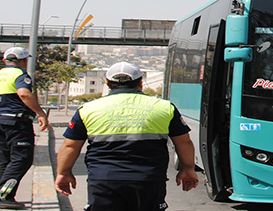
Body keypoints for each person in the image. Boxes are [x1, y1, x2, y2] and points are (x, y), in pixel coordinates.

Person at [55, 62, 198, 211]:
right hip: (148, 181)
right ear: (140, 83)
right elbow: (184, 142)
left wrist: (63, 173)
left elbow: (70, 145)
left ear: (107, 84)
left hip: (104, 180)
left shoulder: (88, 110)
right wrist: (188, 169)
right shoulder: (165, 108)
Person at [0, 47, 49, 210]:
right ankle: (1, 195)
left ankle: (5, 195)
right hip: (16, 121)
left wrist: (0, 116)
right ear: (24, 61)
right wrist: (41, 114)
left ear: (4, 59)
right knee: (22, 158)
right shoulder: (20, 75)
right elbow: (24, 94)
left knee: (4, 160)